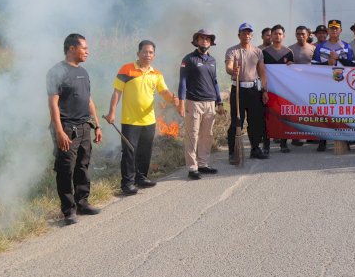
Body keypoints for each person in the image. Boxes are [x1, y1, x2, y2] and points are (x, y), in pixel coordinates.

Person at [106, 40, 178, 195]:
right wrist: (112, 112)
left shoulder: (156, 74)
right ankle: (127, 183)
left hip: (149, 120)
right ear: (138, 53)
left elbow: (164, 92)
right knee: (129, 152)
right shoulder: (126, 70)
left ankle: (141, 177)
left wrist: (173, 98)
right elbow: (117, 92)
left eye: (151, 52)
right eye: (144, 52)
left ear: (154, 55)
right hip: (130, 120)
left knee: (145, 151)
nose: (147, 55)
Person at [47, 33, 102, 225]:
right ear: (72, 48)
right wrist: (60, 131)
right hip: (67, 128)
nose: (87, 52)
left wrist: (96, 125)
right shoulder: (56, 72)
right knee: (65, 170)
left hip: (85, 126)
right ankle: (68, 210)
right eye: (84, 48)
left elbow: (88, 100)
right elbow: (53, 104)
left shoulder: (84, 72)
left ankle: (83, 203)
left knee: (82, 166)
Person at [178, 29, 224, 180]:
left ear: (211, 43)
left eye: (208, 39)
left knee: (207, 135)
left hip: (210, 103)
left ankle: (203, 164)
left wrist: (219, 102)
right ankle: (192, 168)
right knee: (192, 136)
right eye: (202, 38)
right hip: (194, 102)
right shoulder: (189, 59)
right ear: (196, 41)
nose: (205, 41)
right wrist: (181, 102)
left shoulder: (212, 61)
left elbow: (215, 82)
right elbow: (183, 82)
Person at [226, 22, 270, 160]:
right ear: (239, 35)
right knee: (237, 121)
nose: (246, 35)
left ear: (252, 36)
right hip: (238, 89)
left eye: (248, 33)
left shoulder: (257, 51)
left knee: (255, 121)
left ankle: (255, 148)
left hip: (253, 90)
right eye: (243, 33)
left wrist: (264, 90)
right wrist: (232, 70)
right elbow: (228, 66)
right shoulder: (232, 51)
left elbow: (262, 72)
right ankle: (233, 152)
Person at [312, 19, 355, 151]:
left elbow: (353, 65)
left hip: (343, 84)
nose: (334, 30)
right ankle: (322, 139)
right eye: (331, 28)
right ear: (328, 31)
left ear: (340, 30)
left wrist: (339, 58)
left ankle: (345, 139)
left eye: (336, 28)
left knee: (344, 112)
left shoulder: (347, 46)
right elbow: (313, 66)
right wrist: (327, 64)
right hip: (325, 84)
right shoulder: (319, 47)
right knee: (324, 111)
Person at [262, 24, 294, 153]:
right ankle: (266, 145)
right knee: (267, 117)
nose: (277, 36)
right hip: (269, 89)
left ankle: (283, 143)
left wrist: (292, 66)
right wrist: (263, 89)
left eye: (280, 34)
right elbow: (261, 71)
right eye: (275, 33)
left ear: (283, 36)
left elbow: (291, 73)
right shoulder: (264, 52)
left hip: (283, 90)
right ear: (271, 35)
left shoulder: (288, 52)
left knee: (284, 116)